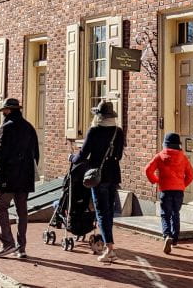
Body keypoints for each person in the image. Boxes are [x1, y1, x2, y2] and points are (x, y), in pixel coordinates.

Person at [0, 97, 40, 259]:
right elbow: (36, 154)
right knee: (22, 212)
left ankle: (7, 243)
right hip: (25, 177)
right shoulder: (29, 127)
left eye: (4, 111)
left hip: (8, 176)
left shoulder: (6, 128)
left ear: (8, 110)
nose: (3, 113)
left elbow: (1, 154)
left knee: (1, 207)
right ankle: (22, 248)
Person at [71, 100, 124, 263]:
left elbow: (83, 154)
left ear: (98, 116)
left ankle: (110, 249)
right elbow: (119, 155)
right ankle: (110, 243)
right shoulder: (118, 131)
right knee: (108, 211)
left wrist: (72, 158)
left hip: (97, 176)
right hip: (113, 175)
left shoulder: (94, 131)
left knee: (101, 212)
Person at [144, 132, 193, 254]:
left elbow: (147, 170)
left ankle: (167, 235)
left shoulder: (160, 156)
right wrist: (182, 185)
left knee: (165, 214)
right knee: (175, 213)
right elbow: (191, 175)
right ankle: (175, 239)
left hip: (165, 190)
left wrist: (156, 181)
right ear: (179, 145)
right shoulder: (183, 157)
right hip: (178, 191)